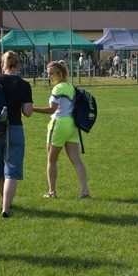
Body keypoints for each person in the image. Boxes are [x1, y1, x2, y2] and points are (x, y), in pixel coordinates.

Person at [0, 51, 33, 218]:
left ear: (2, 64)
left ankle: (3, 202)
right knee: (11, 169)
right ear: (18, 64)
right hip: (14, 128)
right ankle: (6, 207)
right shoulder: (24, 84)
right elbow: (27, 112)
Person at [33, 61, 90, 199]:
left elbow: (52, 109)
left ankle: (52, 192)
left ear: (59, 73)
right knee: (76, 160)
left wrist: (32, 109)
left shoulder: (57, 88)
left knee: (51, 160)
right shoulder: (71, 86)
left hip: (59, 124)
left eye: (51, 74)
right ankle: (85, 190)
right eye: (48, 74)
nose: (49, 76)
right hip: (72, 125)